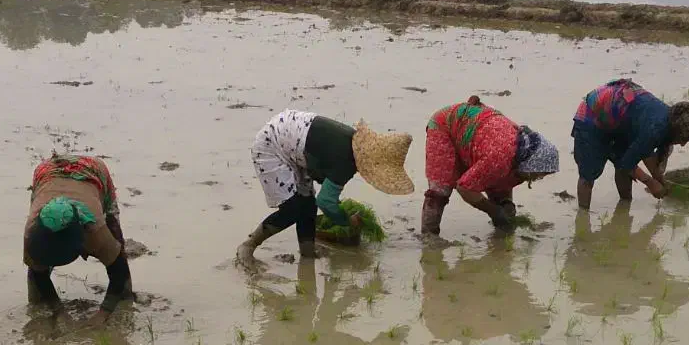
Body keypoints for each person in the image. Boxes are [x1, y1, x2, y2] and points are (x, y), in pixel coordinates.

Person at [237, 111, 414, 263]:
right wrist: (346, 221)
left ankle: (307, 253)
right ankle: (248, 246)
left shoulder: (353, 142)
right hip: (273, 145)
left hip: (294, 142)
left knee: (307, 204)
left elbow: (319, 199)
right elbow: (326, 202)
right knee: (292, 209)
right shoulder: (345, 162)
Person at [421, 97, 560, 236]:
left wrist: (506, 203)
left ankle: (500, 235)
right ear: (531, 164)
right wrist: (492, 210)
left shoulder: (523, 148)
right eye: (539, 173)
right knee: (440, 190)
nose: (539, 177)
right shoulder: (500, 157)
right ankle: (429, 237)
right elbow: (464, 188)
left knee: (500, 189)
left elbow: (505, 179)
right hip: (444, 125)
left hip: (477, 136)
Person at [24, 154, 133, 316]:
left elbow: (119, 270)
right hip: (47, 172)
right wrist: (59, 312)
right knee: (38, 299)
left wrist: (102, 315)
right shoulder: (31, 233)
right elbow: (38, 272)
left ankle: (125, 303)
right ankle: (41, 309)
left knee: (115, 246)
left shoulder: (95, 229)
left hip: (93, 171)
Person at [571, 79, 689, 210]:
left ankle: (624, 208)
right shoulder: (656, 128)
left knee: (624, 166)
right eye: (683, 139)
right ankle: (583, 218)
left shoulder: (669, 119)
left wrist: (660, 180)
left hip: (620, 120)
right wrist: (650, 183)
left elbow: (644, 151)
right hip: (592, 117)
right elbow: (627, 164)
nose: (682, 144)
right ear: (677, 131)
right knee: (588, 174)